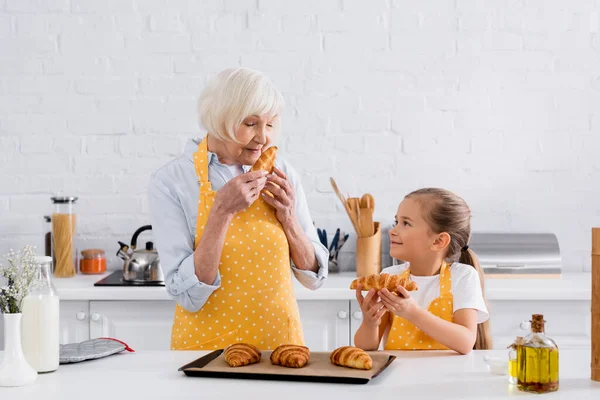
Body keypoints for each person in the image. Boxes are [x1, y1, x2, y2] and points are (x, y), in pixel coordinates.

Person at [148, 67, 328, 350]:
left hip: (279, 350)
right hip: (206, 353)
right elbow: (188, 296)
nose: (263, 138)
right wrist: (221, 212)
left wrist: (289, 219)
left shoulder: (283, 174)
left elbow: (314, 277)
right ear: (219, 119)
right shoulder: (171, 182)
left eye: (269, 125)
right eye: (250, 123)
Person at [354, 188, 491, 354]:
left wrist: (412, 313)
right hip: (399, 376)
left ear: (439, 241)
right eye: (396, 222)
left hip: (449, 376)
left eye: (406, 223)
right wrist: (370, 323)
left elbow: (465, 342)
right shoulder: (390, 277)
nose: (393, 230)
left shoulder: (462, 276)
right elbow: (367, 347)